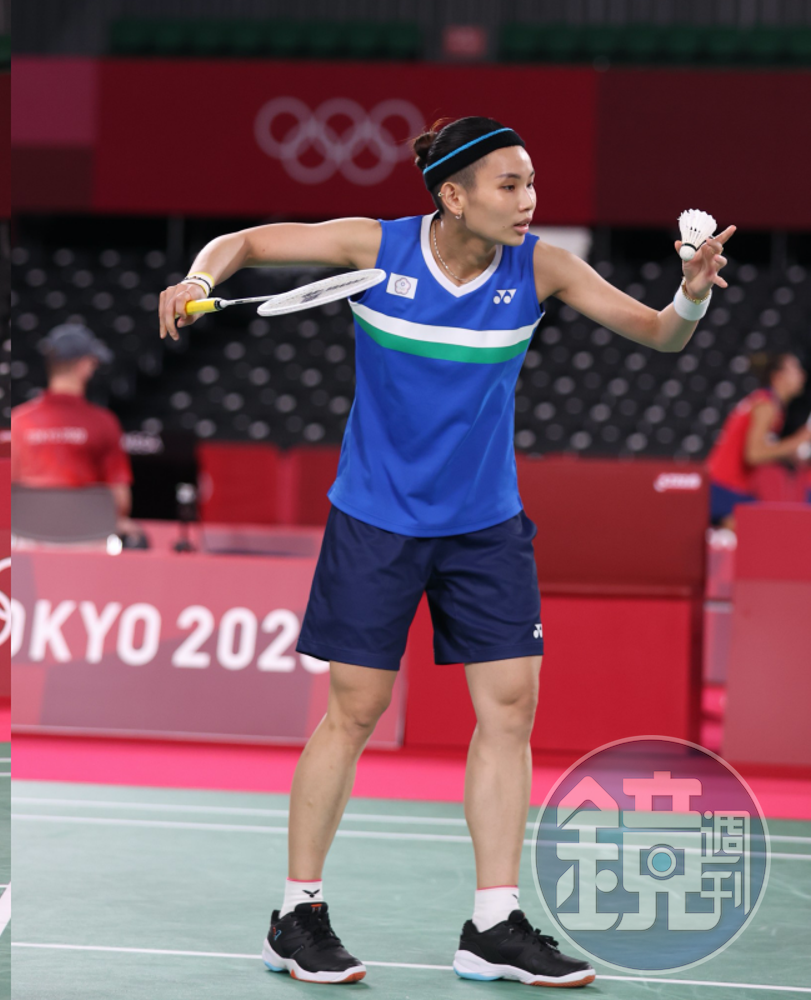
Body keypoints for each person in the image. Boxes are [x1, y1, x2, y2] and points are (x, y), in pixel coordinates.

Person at [158, 116, 732, 988]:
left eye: (531, 182)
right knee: (354, 713)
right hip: (376, 519)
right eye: (510, 184)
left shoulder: (541, 267)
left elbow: (661, 334)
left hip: (485, 525)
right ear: (454, 195)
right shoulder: (374, 247)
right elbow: (246, 242)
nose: (528, 200)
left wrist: (691, 293)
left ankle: (493, 924)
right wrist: (199, 278)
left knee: (509, 714)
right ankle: (296, 914)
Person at [10, 322, 136, 535]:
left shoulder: (17, 421)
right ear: (84, 366)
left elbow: (7, 492)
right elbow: (121, 503)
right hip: (88, 539)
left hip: (27, 540)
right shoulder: (105, 422)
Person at [704, 352, 810, 528]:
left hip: (726, 487)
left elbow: (761, 448)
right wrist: (800, 438)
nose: (802, 375)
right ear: (778, 376)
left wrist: (788, 454)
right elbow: (753, 454)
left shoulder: (764, 401)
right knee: (768, 534)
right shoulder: (767, 406)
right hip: (725, 489)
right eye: (796, 369)